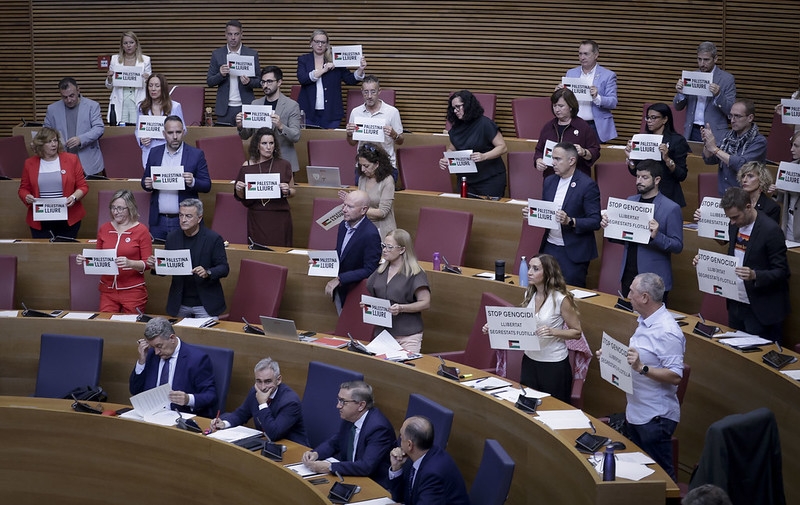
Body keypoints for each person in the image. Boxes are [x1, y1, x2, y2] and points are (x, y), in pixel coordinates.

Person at [608, 272, 685, 482]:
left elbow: (675, 375)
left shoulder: (667, 331)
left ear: (644, 297)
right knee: (642, 476)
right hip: (636, 411)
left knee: (662, 479)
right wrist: (610, 356)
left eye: (631, 291)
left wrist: (642, 368)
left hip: (655, 417)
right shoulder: (645, 321)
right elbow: (639, 357)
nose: (627, 295)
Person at [692, 187, 790, 342]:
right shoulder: (734, 224)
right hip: (736, 303)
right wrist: (703, 262)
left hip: (761, 308)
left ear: (748, 207)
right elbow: (732, 258)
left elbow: (782, 272)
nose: (732, 222)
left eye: (735, 217)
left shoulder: (770, 230)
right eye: (729, 218)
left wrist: (755, 275)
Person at [484, 254, 581, 403]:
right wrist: (495, 326)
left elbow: (576, 332)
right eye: (529, 267)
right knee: (529, 409)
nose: (529, 272)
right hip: (530, 361)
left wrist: (553, 331)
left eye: (535, 269)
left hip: (553, 365)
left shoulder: (561, 299)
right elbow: (520, 323)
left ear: (548, 272)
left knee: (552, 410)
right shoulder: (529, 294)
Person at [601, 160, 683, 301]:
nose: (639, 181)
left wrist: (656, 236)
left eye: (644, 177)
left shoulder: (671, 208)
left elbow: (677, 246)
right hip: (629, 274)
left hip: (653, 278)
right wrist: (610, 227)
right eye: (638, 177)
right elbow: (625, 236)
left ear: (657, 180)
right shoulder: (630, 201)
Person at [302, 381, 395, 489]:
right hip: (351, 476)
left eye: (343, 401)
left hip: (373, 484)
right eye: (338, 400)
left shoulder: (378, 428)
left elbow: (366, 466)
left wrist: (329, 467)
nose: (338, 406)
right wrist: (316, 454)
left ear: (361, 405)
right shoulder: (350, 418)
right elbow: (335, 442)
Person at [147, 198, 230, 319]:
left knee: (206, 337)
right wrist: (156, 267)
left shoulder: (213, 238)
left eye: (188, 216)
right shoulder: (172, 237)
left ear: (199, 218)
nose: (183, 220)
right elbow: (168, 268)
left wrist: (208, 272)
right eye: (181, 215)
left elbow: (224, 268)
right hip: (180, 302)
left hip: (205, 303)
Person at [534, 142, 601, 288]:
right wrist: (533, 213)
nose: (553, 163)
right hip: (550, 247)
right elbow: (546, 210)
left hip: (573, 251)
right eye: (553, 158)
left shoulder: (587, 185)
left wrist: (571, 221)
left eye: (558, 159)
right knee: (545, 290)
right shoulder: (549, 181)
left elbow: (595, 221)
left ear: (572, 161)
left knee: (568, 295)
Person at [75, 189, 151, 313]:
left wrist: (130, 263)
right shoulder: (104, 228)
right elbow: (98, 257)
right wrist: (85, 259)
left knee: (130, 328)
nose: (116, 212)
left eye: (121, 208)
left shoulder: (141, 230)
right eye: (113, 208)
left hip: (132, 290)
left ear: (130, 208)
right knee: (107, 327)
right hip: (107, 290)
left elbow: (148, 263)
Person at [129, 317, 218, 418]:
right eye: (153, 347)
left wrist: (188, 399)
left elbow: (211, 396)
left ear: (172, 338)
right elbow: (135, 391)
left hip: (179, 417)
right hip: (150, 415)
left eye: (159, 346)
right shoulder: (150, 355)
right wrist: (141, 361)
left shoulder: (196, 359)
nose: (156, 352)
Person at [141, 115, 211, 240]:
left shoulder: (196, 154)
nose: (174, 136)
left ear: (183, 132)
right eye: (170, 132)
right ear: (164, 133)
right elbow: (144, 181)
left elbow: (207, 185)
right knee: (159, 257)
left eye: (178, 132)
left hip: (184, 220)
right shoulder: (154, 152)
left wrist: (193, 181)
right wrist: (147, 184)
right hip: (158, 220)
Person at [209, 357, 308, 445]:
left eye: (268, 381)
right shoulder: (255, 391)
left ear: (278, 380)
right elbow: (240, 414)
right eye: (259, 381)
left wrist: (262, 404)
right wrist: (224, 423)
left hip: (293, 450)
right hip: (267, 445)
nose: (263, 387)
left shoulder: (290, 402)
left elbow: (274, 434)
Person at [365, 229, 430, 354]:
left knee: (404, 371)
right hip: (383, 334)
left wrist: (401, 308)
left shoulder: (415, 272)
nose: (384, 250)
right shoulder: (381, 270)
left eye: (389, 247)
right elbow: (375, 293)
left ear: (402, 250)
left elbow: (425, 303)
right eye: (383, 246)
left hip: (407, 336)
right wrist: (369, 306)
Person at [18, 126, 88, 239]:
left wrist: (74, 197)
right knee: (43, 254)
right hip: (40, 218)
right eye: (49, 142)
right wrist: (26, 196)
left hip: (68, 217)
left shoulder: (71, 159)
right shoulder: (29, 163)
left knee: (65, 252)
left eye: (55, 140)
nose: (53, 144)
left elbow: (83, 186)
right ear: (41, 144)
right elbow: (23, 189)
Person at [438, 90, 508, 198]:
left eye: (458, 107)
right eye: (453, 108)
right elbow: (453, 148)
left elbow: (502, 147)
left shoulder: (484, 123)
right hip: (466, 179)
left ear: (468, 105)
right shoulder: (456, 127)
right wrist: (445, 158)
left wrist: (484, 156)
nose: (455, 111)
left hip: (489, 179)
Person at [234, 127, 295, 247]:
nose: (268, 147)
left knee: (280, 253)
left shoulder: (284, 165)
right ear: (257, 145)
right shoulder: (247, 166)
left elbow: (293, 191)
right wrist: (239, 189)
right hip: (257, 217)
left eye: (271, 143)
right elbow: (241, 197)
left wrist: (287, 191)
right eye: (264, 143)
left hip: (279, 217)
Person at [388, 416, 470, 505]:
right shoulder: (415, 456)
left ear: (409, 445)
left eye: (401, 436)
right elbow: (399, 498)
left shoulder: (433, 473)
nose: (399, 438)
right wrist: (396, 468)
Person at [236, 65, 302, 173]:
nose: (265, 85)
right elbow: (245, 135)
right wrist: (240, 126)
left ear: (279, 82)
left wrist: (281, 126)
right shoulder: (255, 104)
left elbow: (296, 136)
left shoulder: (292, 105)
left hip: (284, 161)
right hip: (259, 162)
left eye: (269, 81)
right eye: (263, 82)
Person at [296, 29, 367, 129]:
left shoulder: (335, 59)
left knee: (328, 142)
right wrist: (323, 70)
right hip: (308, 112)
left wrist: (360, 69)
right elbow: (302, 79)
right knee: (308, 142)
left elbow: (349, 80)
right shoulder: (303, 59)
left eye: (323, 42)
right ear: (311, 43)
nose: (320, 45)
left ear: (327, 44)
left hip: (331, 113)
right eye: (317, 42)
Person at [325, 190, 381, 314]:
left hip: (356, 292)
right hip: (341, 290)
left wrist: (341, 279)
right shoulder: (342, 225)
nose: (344, 210)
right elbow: (340, 253)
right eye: (344, 205)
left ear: (363, 210)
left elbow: (370, 269)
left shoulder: (370, 234)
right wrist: (321, 262)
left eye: (350, 207)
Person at [627, 103, 690, 207]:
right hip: (645, 195)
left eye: (654, 118)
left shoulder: (677, 141)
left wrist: (667, 159)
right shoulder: (641, 139)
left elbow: (682, 175)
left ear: (665, 119)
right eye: (647, 118)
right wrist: (631, 159)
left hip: (669, 195)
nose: (649, 121)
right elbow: (636, 172)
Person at [674, 41, 737, 142]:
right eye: (699, 59)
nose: (702, 64)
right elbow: (677, 107)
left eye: (706, 60)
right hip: (692, 130)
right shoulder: (691, 76)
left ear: (715, 59)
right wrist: (680, 93)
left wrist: (718, 95)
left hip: (714, 132)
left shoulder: (727, 79)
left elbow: (731, 110)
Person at [702, 98, 767, 195]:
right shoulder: (727, 137)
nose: (732, 120)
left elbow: (742, 165)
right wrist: (707, 144)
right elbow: (710, 160)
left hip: (744, 198)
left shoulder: (759, 142)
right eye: (731, 116)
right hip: (724, 195)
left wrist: (715, 149)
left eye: (737, 116)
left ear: (750, 118)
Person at [44, 77, 105, 176]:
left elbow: (99, 128)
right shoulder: (52, 109)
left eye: (72, 95)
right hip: (61, 161)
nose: (69, 100)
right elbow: (46, 131)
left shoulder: (92, 106)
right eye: (65, 97)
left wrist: (81, 139)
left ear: (78, 90)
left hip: (88, 162)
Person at [534, 88, 600, 178]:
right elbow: (539, 150)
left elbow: (595, 151)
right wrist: (538, 160)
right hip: (551, 177)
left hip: (576, 178)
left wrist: (584, 152)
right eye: (554, 106)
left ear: (570, 106)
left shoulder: (583, 127)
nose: (557, 110)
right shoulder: (548, 127)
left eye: (561, 106)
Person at [560, 39, 618, 143]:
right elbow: (565, 100)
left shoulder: (608, 75)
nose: (582, 57)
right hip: (573, 123)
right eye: (580, 54)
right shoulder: (571, 73)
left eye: (586, 54)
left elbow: (613, 102)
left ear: (596, 55)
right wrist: (559, 93)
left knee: (594, 157)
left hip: (595, 126)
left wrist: (597, 97)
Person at [346, 75, 404, 176]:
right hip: (363, 166)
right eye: (366, 92)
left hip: (386, 165)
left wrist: (394, 135)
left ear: (379, 91)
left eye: (373, 92)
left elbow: (401, 141)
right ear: (362, 92)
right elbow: (352, 143)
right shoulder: (355, 112)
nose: (369, 96)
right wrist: (349, 134)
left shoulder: (392, 112)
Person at [206, 20, 260, 125]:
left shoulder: (252, 54)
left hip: (245, 106)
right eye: (230, 34)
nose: (233, 38)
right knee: (224, 139)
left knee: (246, 140)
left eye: (236, 34)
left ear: (241, 34)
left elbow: (259, 81)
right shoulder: (217, 54)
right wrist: (220, 75)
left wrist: (249, 82)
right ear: (225, 35)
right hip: (224, 108)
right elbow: (210, 81)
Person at [341, 143, 396, 239]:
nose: (362, 169)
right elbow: (362, 201)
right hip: (364, 227)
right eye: (360, 165)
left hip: (381, 230)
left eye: (366, 166)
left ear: (377, 164)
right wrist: (352, 201)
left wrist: (356, 209)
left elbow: (382, 212)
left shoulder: (387, 181)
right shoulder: (362, 178)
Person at [136, 73, 185, 168]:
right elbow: (137, 130)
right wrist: (141, 140)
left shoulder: (175, 106)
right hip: (149, 150)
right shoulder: (141, 107)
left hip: (169, 150)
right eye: (150, 86)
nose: (153, 89)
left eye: (157, 86)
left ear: (163, 88)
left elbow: (184, 130)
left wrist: (169, 135)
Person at [104, 31, 151, 125]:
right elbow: (109, 86)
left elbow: (150, 85)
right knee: (119, 128)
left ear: (136, 44)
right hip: (120, 99)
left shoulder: (145, 60)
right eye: (125, 43)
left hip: (138, 98)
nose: (128, 45)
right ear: (122, 46)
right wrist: (109, 78)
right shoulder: (115, 59)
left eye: (131, 42)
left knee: (136, 128)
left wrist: (147, 79)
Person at [770, 130, 800, 239]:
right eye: (792, 145)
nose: (792, 149)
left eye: (796, 146)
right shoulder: (790, 167)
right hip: (789, 224)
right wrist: (776, 192)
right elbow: (785, 199)